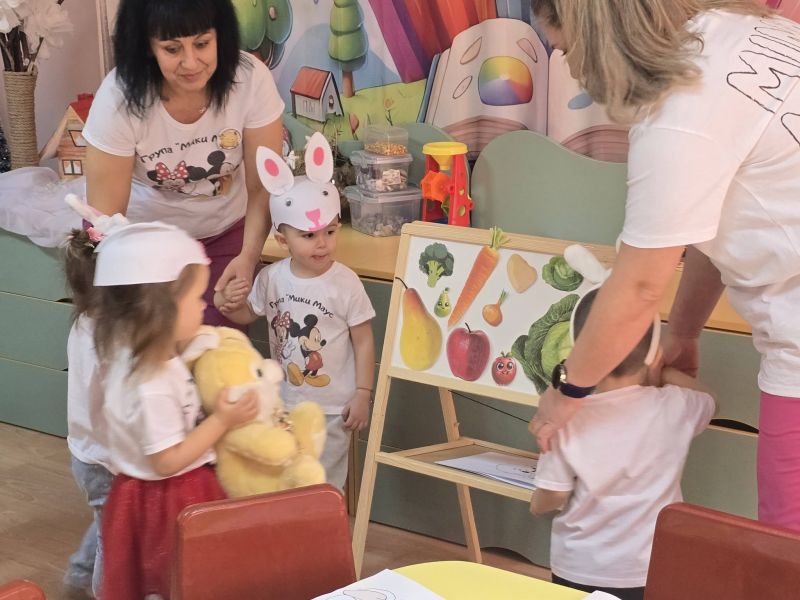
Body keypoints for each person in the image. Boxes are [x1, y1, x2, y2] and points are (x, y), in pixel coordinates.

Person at [528, 0, 800, 531]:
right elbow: (711, 223)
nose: (572, 67)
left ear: (593, 29)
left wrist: (568, 391)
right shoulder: (750, 33)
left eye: (565, 48)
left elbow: (638, 286)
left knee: (786, 550)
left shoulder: (680, 110)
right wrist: (685, 331)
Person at [63, 220, 259, 599]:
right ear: (161, 310)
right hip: (165, 495)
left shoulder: (145, 356)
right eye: (196, 299)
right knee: (166, 578)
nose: (204, 306)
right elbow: (167, 460)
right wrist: (222, 420)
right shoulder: (150, 385)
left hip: (164, 488)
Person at [81, 0, 284, 329]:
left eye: (202, 43)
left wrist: (248, 258)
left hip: (224, 235)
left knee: (219, 347)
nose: (191, 62)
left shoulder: (250, 80)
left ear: (220, 35)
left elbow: (262, 186)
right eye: (172, 49)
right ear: (148, 46)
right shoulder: (118, 98)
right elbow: (105, 218)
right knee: (151, 345)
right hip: (138, 243)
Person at [529, 289, 716, 600]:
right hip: (649, 565)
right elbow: (709, 400)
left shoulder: (564, 417)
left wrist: (536, 505)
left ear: (578, 351)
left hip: (579, 565)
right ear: (652, 353)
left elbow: (554, 494)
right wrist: (662, 371)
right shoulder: (674, 405)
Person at [215, 135, 376, 491]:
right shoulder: (271, 277)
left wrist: (363, 393)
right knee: (287, 478)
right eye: (309, 235)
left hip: (332, 408)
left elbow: (364, 341)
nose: (322, 243)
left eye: (330, 231)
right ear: (282, 238)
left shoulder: (346, 283)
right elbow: (248, 315)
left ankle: (324, 526)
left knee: (323, 483)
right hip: (283, 403)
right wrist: (228, 303)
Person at [61, 226, 114, 599]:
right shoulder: (109, 342)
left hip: (86, 452)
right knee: (113, 534)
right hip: (104, 460)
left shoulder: (83, 322)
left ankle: (79, 576)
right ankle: (98, 588)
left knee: (107, 520)